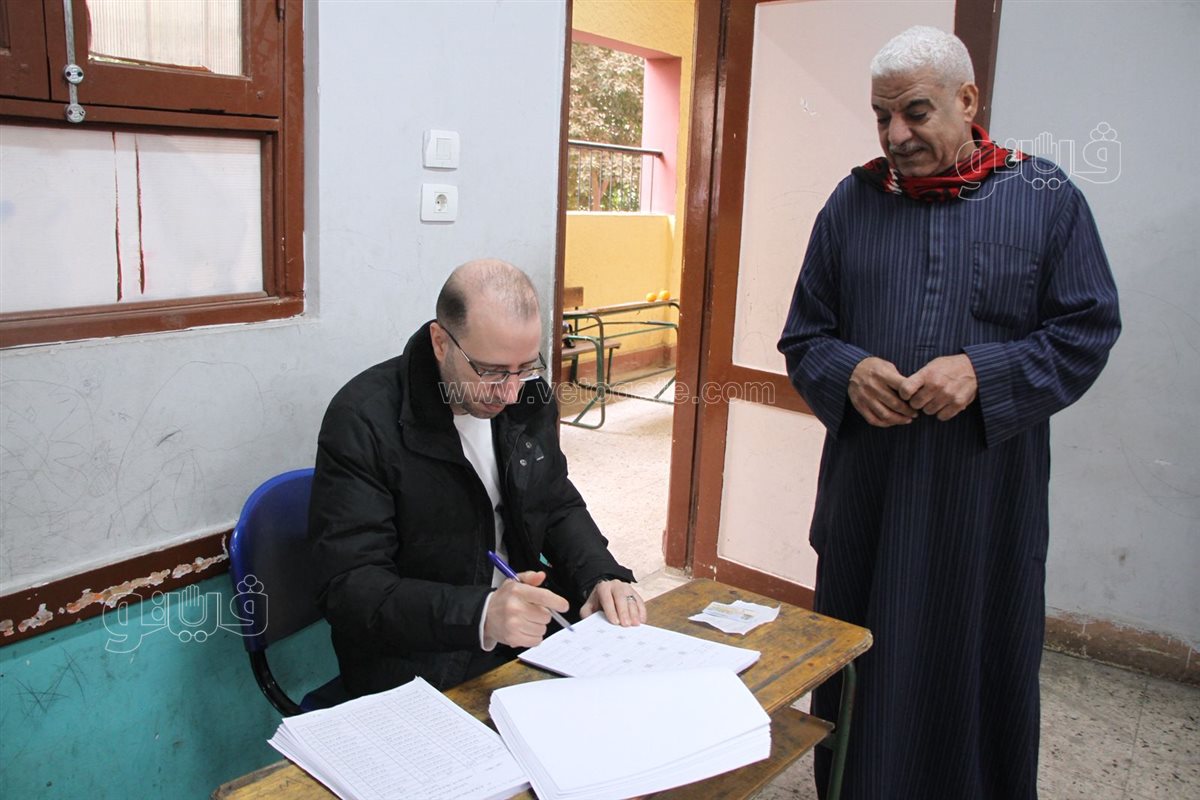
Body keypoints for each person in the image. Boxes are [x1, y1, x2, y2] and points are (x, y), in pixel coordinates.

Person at [777, 26, 1120, 800]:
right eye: (881, 117)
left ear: (968, 101)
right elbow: (804, 337)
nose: (896, 135)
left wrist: (985, 371)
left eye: (916, 112)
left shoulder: (1045, 199)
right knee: (862, 669)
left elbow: (1086, 331)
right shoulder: (852, 203)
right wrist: (848, 370)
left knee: (974, 672)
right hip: (871, 502)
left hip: (984, 510)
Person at [310, 258, 645, 697]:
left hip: (526, 627)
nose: (509, 392)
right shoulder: (364, 420)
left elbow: (554, 501)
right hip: (418, 656)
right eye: (490, 371)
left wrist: (599, 575)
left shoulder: (526, 395)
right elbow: (351, 588)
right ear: (441, 342)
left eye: (525, 367)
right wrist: (482, 614)